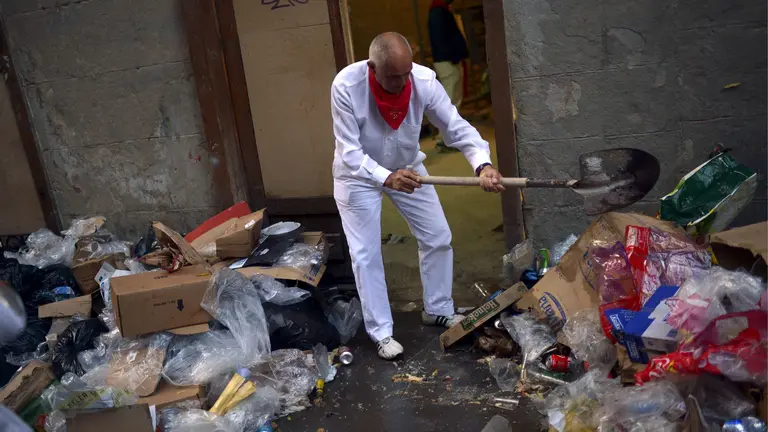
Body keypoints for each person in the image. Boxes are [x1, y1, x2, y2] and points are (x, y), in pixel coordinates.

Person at [330, 32, 504, 360]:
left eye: (405, 74)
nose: (400, 83)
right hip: (358, 177)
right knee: (366, 255)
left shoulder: (423, 81)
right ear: (372, 67)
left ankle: (437, 308)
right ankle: (381, 332)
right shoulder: (346, 86)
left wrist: (482, 164)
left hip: (407, 169)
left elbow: (456, 127)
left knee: (438, 236)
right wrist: (385, 177)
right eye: (392, 77)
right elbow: (349, 151)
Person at [428, 0, 469, 152]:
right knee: (450, 101)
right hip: (447, 61)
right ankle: (444, 140)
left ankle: (447, 138)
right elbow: (441, 38)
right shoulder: (439, 11)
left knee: (453, 100)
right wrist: (454, 55)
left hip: (448, 59)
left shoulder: (442, 10)